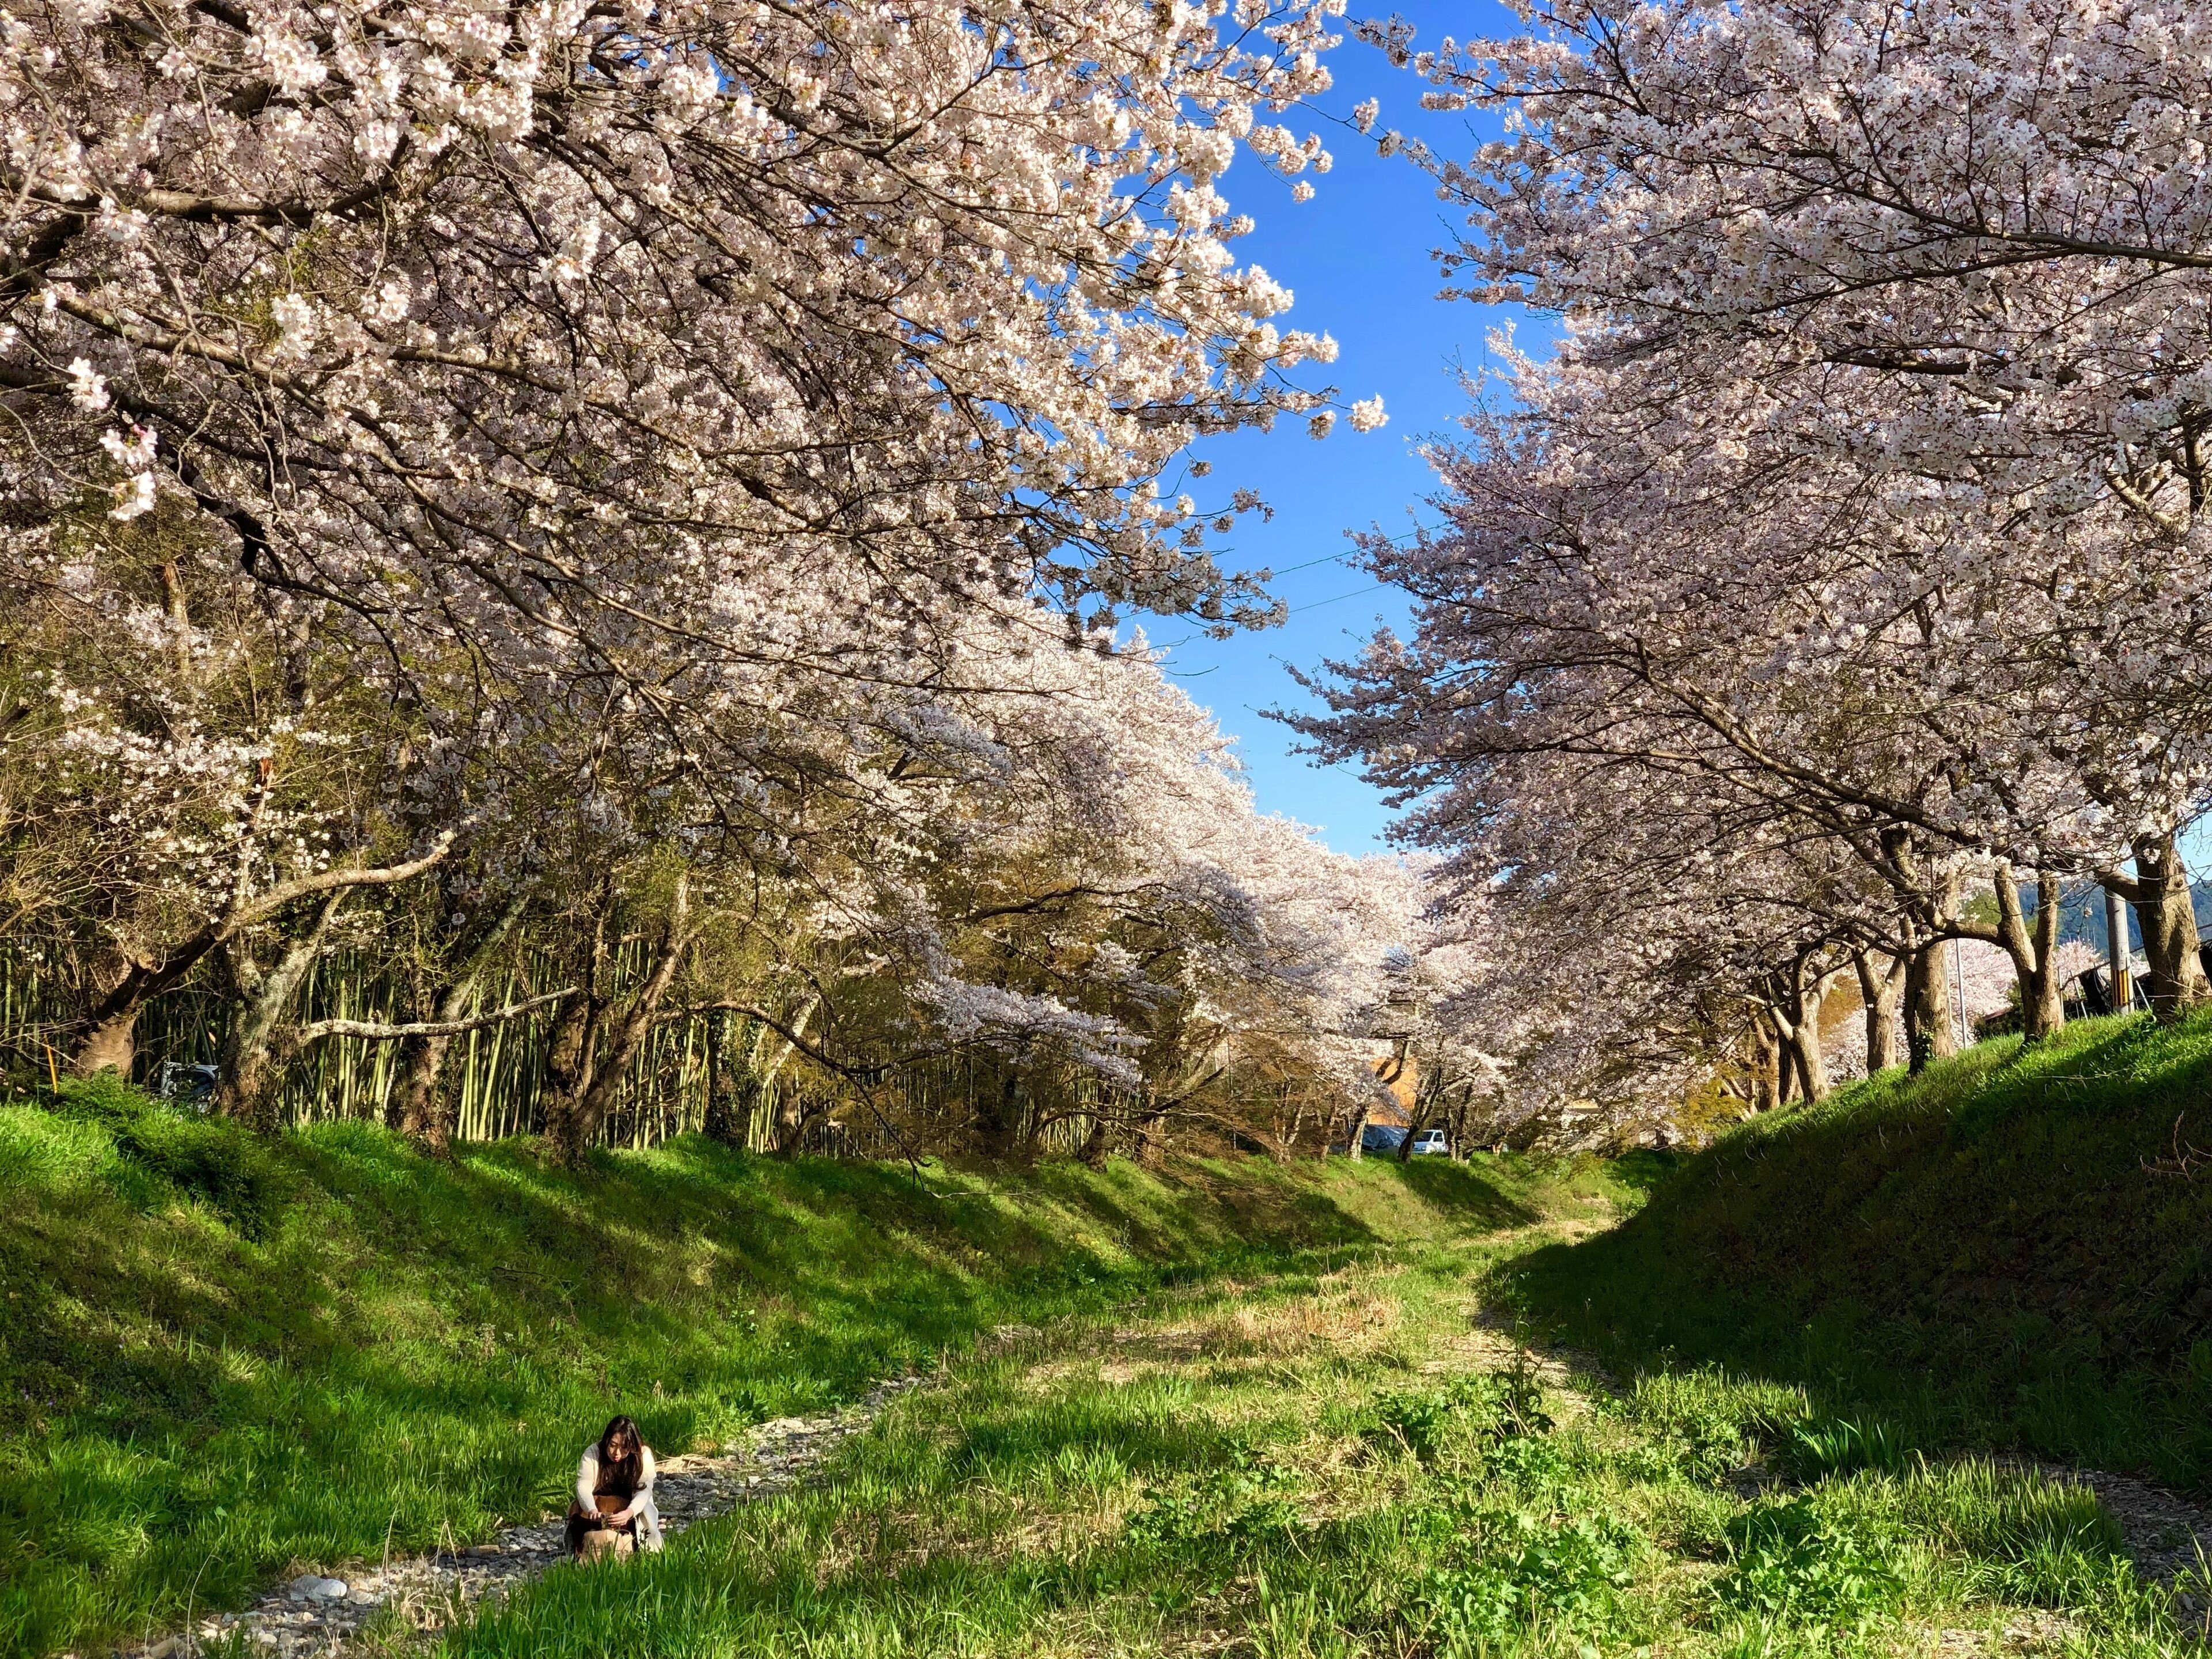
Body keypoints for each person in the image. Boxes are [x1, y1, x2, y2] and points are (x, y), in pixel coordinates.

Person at [565, 1414, 664, 1556]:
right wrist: (591, 1509)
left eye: (624, 1448)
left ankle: (649, 1551)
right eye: (612, 1445)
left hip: (631, 1503)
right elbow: (583, 1485)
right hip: (598, 1503)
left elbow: (644, 1490)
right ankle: (578, 1552)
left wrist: (629, 1512)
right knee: (578, 1510)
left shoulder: (643, 1456)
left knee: (647, 1509)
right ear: (606, 1441)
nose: (617, 1453)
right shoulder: (593, 1453)